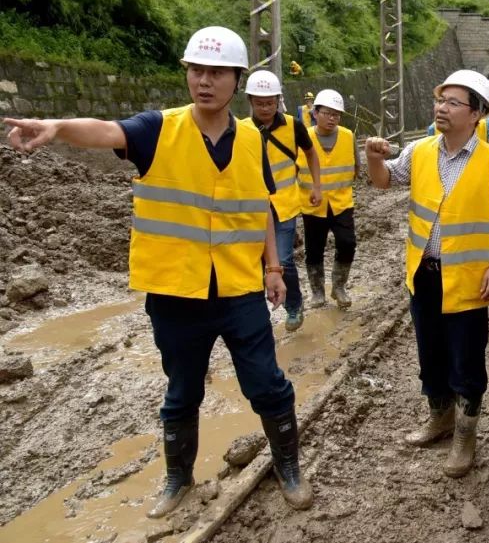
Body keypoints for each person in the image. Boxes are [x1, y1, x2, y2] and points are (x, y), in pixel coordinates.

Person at [3, 26, 312, 516]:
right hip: (175, 294)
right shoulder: (158, 128)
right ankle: (177, 479)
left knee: (265, 383)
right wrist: (59, 127)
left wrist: (273, 266)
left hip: (239, 290)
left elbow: (261, 207)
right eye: (196, 71)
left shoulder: (253, 141)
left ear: (236, 80)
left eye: (216, 73)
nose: (204, 81)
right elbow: (106, 131)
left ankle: (289, 466)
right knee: (182, 390)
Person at [366, 70, 489, 478]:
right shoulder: (419, 151)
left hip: (470, 279)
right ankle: (440, 417)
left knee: (466, 361)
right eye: (440, 100)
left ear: (476, 115)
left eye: (453, 102)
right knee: (430, 355)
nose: (441, 108)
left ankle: (465, 435)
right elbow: (382, 181)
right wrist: (372, 155)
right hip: (425, 275)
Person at [244, 70, 323, 332]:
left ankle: (294, 306)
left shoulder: (293, 125)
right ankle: (257, 315)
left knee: (283, 261)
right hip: (254, 208)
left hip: (286, 204)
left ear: (278, 100)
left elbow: (311, 153)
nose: (265, 108)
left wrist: (316, 186)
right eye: (259, 103)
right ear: (250, 101)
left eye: (270, 102)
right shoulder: (242, 129)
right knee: (255, 264)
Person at [297, 89, 358, 310]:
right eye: (328, 113)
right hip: (313, 205)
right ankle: (317, 292)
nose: (332, 118)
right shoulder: (303, 137)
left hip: (342, 203)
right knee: (314, 249)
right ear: (315, 113)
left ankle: (339, 286)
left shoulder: (348, 136)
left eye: (336, 114)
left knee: (347, 243)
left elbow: (356, 168)